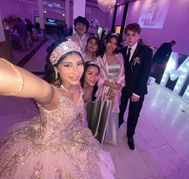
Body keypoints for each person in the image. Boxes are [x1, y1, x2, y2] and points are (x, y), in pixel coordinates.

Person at [0, 40, 115, 178]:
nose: (76, 71)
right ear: (56, 68)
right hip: (48, 151)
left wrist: (80, 114)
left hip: (71, 134)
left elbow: (79, 104)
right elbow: (22, 82)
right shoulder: (51, 94)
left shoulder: (77, 83)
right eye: (67, 65)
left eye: (79, 64)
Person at [119, 23, 153, 150]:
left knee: (134, 114)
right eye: (127, 34)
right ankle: (117, 125)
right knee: (120, 109)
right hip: (123, 88)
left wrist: (137, 93)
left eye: (133, 35)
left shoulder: (146, 51)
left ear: (138, 36)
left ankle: (130, 135)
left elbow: (145, 73)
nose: (130, 38)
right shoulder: (122, 51)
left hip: (137, 90)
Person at [95, 34, 125, 145]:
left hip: (115, 90)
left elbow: (122, 74)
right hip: (104, 89)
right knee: (103, 110)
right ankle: (99, 133)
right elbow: (98, 76)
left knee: (112, 112)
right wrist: (110, 86)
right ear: (105, 42)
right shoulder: (99, 58)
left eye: (115, 43)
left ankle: (109, 136)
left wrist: (117, 87)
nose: (112, 45)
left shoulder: (120, 57)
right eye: (110, 42)